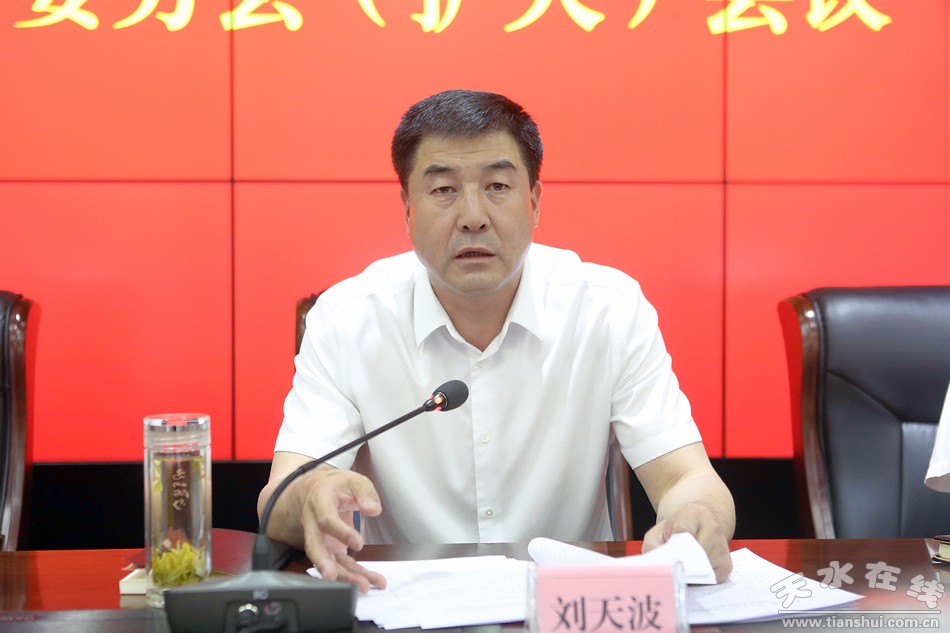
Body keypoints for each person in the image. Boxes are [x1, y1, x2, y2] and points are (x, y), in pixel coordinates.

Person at [258, 89, 735, 592]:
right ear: (407, 208)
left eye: (498, 186)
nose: (473, 216)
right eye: (443, 189)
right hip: (408, 605)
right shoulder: (348, 319)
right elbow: (280, 496)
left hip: (568, 608)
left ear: (534, 201)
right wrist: (311, 494)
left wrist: (698, 517)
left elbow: (685, 477)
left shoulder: (607, 309)